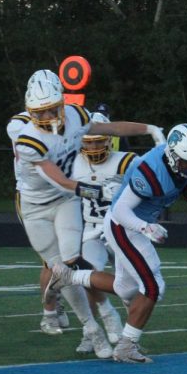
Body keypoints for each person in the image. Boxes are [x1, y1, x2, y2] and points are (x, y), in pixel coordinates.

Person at [7, 68, 166, 358]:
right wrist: (94, 191)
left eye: (51, 110)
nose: (45, 118)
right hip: (35, 204)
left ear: (61, 104)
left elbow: (111, 129)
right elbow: (57, 178)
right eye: (38, 112)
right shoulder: (25, 135)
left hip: (67, 199)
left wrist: (149, 128)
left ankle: (106, 319)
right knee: (58, 267)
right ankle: (91, 328)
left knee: (71, 264)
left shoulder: (77, 116)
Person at [46, 123, 187, 363]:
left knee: (124, 288)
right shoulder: (149, 169)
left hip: (138, 223)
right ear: (171, 155)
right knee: (153, 286)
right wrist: (145, 228)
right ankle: (127, 345)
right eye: (186, 163)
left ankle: (68, 277)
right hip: (123, 225)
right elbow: (120, 210)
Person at [71, 112, 137, 353]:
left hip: (122, 229)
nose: (95, 146)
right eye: (89, 141)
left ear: (110, 140)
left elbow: (146, 191)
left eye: (99, 140)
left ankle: (130, 339)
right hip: (91, 228)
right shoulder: (72, 163)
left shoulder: (128, 161)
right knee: (89, 274)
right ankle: (93, 330)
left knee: (131, 286)